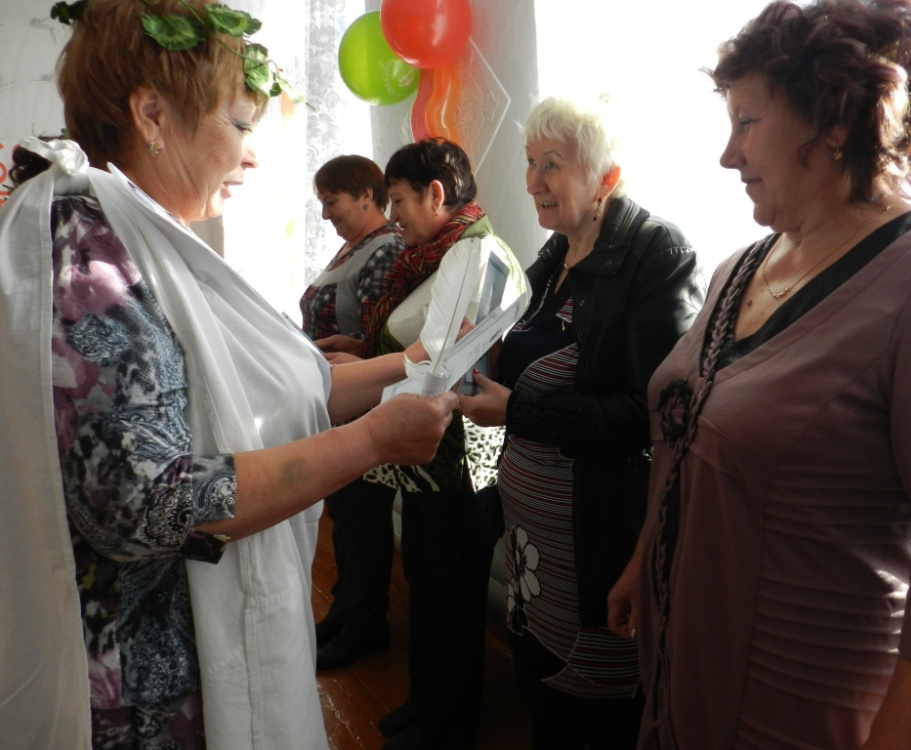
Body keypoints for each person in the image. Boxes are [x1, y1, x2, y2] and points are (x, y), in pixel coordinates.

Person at [0, 2, 457, 748]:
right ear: (152, 114)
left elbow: (285, 385)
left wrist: (419, 363)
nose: (251, 156)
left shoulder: (140, 241)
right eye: (240, 125)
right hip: (139, 694)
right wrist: (373, 442)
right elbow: (146, 503)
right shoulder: (87, 261)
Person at [606, 1, 911, 748]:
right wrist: (648, 554)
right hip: (679, 691)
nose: (728, 155)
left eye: (747, 121)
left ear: (835, 122)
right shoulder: (739, 268)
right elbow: (694, 435)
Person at [458, 96, 703, 749]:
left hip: (597, 544)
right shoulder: (554, 255)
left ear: (606, 178)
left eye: (552, 164)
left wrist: (516, 410)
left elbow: (651, 417)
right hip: (533, 546)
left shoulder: (656, 251)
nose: (532, 180)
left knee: (590, 716)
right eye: (529, 162)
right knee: (541, 693)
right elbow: (526, 355)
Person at [368, 138, 528, 750]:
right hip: (433, 448)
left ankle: (446, 723)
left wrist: (374, 384)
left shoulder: (473, 253)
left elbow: (443, 359)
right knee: (428, 583)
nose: (393, 215)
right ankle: (425, 704)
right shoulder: (445, 254)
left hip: (457, 452)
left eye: (398, 200)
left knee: (450, 593)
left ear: (436, 194)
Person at [301, 155, 406, 670]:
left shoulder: (385, 248)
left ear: (368, 195)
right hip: (340, 401)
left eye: (331, 201)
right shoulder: (357, 246)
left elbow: (382, 335)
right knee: (345, 517)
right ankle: (346, 611)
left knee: (362, 520)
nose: (325, 214)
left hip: (361, 403)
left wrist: (350, 349)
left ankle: (364, 624)